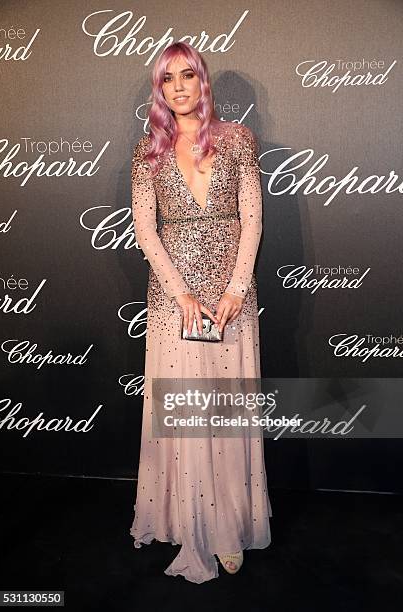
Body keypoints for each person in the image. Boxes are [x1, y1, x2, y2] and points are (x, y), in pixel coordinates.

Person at [129, 41, 272, 584]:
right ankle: (187, 523)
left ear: (202, 81)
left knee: (227, 415)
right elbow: (146, 230)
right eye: (169, 79)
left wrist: (236, 287)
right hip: (175, 303)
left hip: (232, 299)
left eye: (189, 75)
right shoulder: (149, 152)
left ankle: (229, 526)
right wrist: (180, 292)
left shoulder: (238, 140)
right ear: (160, 90)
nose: (180, 87)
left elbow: (251, 219)